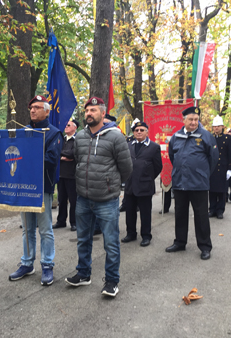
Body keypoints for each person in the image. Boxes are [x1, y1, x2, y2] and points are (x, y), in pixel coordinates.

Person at [65, 97, 132, 297]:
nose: (89, 114)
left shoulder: (116, 137)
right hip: (83, 198)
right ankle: (84, 274)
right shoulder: (80, 137)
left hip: (107, 200)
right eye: (87, 111)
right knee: (83, 239)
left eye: (93, 110)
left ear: (103, 113)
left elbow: (127, 168)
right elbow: (78, 160)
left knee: (111, 242)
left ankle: (112, 281)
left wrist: (111, 184)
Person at [9, 95, 63, 286]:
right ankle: (27, 263)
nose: (32, 110)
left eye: (37, 107)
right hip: (24, 188)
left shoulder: (54, 133)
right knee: (27, 229)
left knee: (46, 229)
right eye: (31, 107)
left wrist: (28, 158)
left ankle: (47, 265)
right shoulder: (24, 132)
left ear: (47, 111)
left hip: (43, 188)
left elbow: (51, 160)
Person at [165, 106, 219, 260]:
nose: (194, 122)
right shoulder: (176, 136)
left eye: (196, 119)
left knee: (201, 216)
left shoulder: (206, 136)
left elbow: (213, 158)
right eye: (191, 119)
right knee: (180, 214)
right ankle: (180, 242)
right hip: (180, 182)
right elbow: (172, 156)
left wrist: (203, 173)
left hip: (198, 184)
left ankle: (205, 246)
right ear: (184, 120)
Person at [121, 121, 162, 247]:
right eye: (136, 130)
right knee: (130, 211)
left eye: (142, 130)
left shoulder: (154, 147)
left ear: (147, 132)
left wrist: (147, 178)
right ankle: (131, 233)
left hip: (145, 186)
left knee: (145, 213)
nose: (139, 132)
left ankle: (146, 235)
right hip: (130, 185)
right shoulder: (128, 145)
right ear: (133, 132)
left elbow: (158, 167)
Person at [53, 119, 79, 232]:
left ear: (75, 127)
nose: (66, 127)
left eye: (68, 125)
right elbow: (55, 152)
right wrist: (64, 156)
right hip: (61, 174)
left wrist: (63, 155)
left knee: (73, 200)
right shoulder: (62, 139)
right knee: (61, 199)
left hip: (72, 174)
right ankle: (61, 221)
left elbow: (73, 154)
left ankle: (74, 222)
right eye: (65, 125)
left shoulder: (77, 140)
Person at [208, 115, 231, 219]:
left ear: (222, 127)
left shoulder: (228, 139)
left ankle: (220, 210)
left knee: (222, 191)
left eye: (218, 126)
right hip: (212, 168)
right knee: (212, 190)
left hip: (223, 168)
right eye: (214, 126)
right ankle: (212, 209)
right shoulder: (210, 138)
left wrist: (230, 169)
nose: (216, 128)